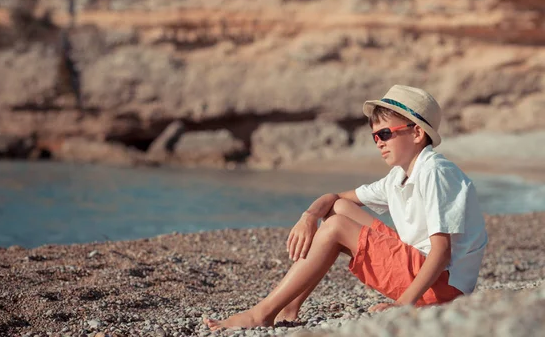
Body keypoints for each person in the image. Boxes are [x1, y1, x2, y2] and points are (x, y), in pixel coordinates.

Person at [204, 85, 488, 330]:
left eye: (386, 134)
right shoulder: (399, 176)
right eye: (374, 136)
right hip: (426, 273)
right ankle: (289, 307)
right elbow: (334, 198)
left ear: (416, 134)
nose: (379, 142)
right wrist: (309, 216)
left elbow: (441, 252)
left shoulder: (435, 172)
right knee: (337, 210)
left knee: (337, 226)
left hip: (443, 285)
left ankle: (260, 314)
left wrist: (403, 305)